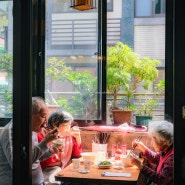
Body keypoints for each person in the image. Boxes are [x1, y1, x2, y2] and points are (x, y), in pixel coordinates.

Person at [0, 97, 59, 185]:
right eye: (43, 116)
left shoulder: (32, 130)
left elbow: (34, 160)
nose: (46, 122)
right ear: (29, 115)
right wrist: (44, 142)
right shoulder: (11, 131)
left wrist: (50, 151)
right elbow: (17, 164)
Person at [37, 110, 82, 185]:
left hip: (65, 170)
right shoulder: (42, 135)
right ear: (55, 124)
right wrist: (54, 150)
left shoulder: (68, 136)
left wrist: (78, 138)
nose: (68, 128)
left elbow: (77, 155)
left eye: (69, 125)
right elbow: (41, 161)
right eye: (65, 125)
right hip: (48, 171)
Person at [130, 120, 174, 185]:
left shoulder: (172, 158)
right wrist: (143, 148)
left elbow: (161, 179)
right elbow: (156, 158)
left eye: (153, 140)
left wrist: (141, 166)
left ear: (164, 141)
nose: (151, 143)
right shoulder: (166, 150)